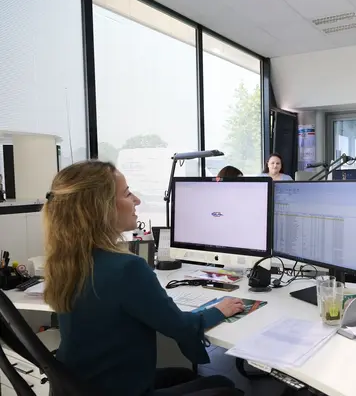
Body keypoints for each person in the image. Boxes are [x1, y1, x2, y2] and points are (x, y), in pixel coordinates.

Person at [42, 160, 245, 396]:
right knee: (226, 387)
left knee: (186, 376)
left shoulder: (66, 262)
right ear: (102, 208)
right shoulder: (127, 268)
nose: (137, 200)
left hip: (80, 387)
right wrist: (219, 310)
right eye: (127, 194)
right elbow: (180, 326)